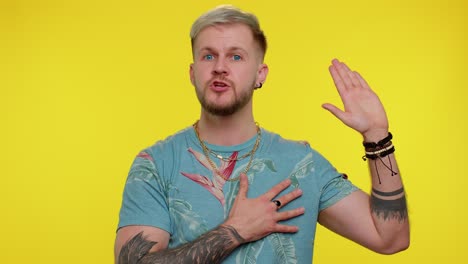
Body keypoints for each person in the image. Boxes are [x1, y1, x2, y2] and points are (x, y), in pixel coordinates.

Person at [114, 5, 409, 264]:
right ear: (193, 73)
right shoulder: (154, 164)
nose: (219, 67)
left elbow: (390, 238)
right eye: (208, 56)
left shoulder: (301, 164)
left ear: (260, 74)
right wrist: (233, 232)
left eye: (236, 57)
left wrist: (376, 135)